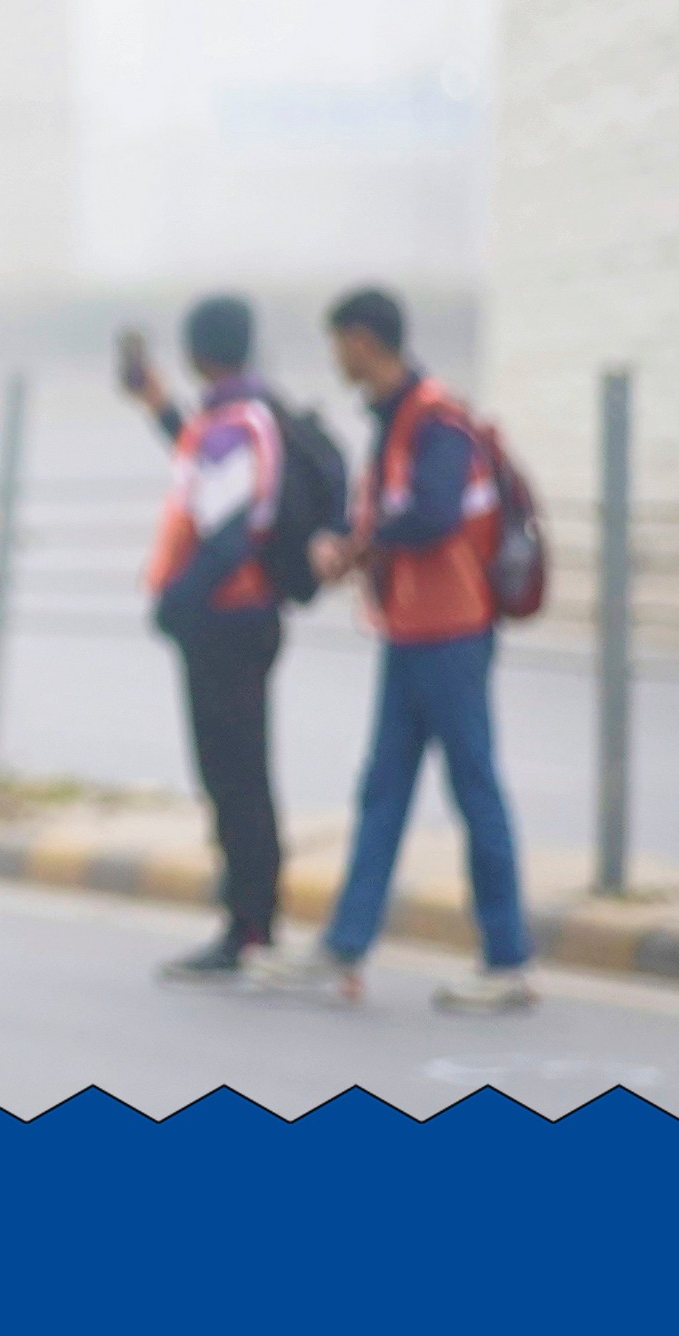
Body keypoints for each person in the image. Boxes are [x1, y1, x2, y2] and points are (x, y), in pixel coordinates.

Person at [256, 287, 535, 1012]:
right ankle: (346, 945)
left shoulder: (434, 420)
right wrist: (360, 540)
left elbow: (433, 514)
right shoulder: (396, 418)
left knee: (475, 789)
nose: (335, 358)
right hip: (410, 631)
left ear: (361, 340)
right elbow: (395, 511)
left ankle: (507, 960)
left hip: (452, 632)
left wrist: (357, 544)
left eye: (337, 343)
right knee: (382, 791)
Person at [122, 297, 302, 982]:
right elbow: (205, 467)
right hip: (240, 618)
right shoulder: (238, 417)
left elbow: (227, 534)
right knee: (238, 771)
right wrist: (158, 405)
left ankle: (248, 926)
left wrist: (176, 604)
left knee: (233, 775)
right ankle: (250, 917)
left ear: (198, 353)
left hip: (228, 620)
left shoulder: (233, 425)